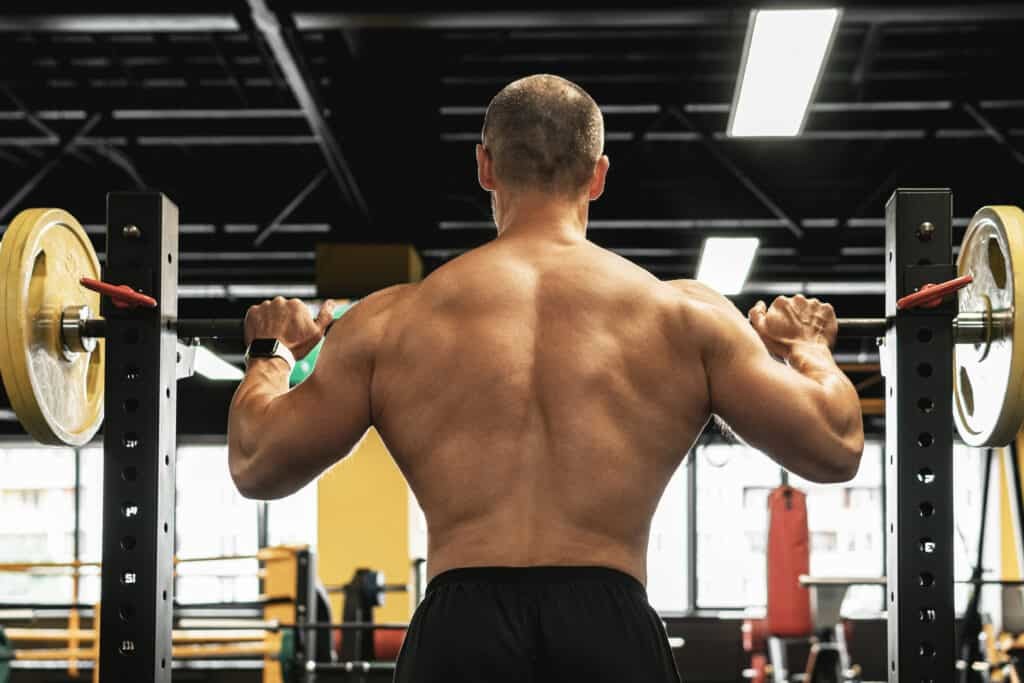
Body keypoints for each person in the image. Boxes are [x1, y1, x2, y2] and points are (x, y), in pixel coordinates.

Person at [228, 74, 864, 682]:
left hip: (459, 630)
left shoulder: (392, 321)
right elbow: (834, 447)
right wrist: (808, 348)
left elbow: (258, 464)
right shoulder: (682, 316)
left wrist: (272, 350)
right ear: (598, 176)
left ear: (484, 168)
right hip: (610, 627)